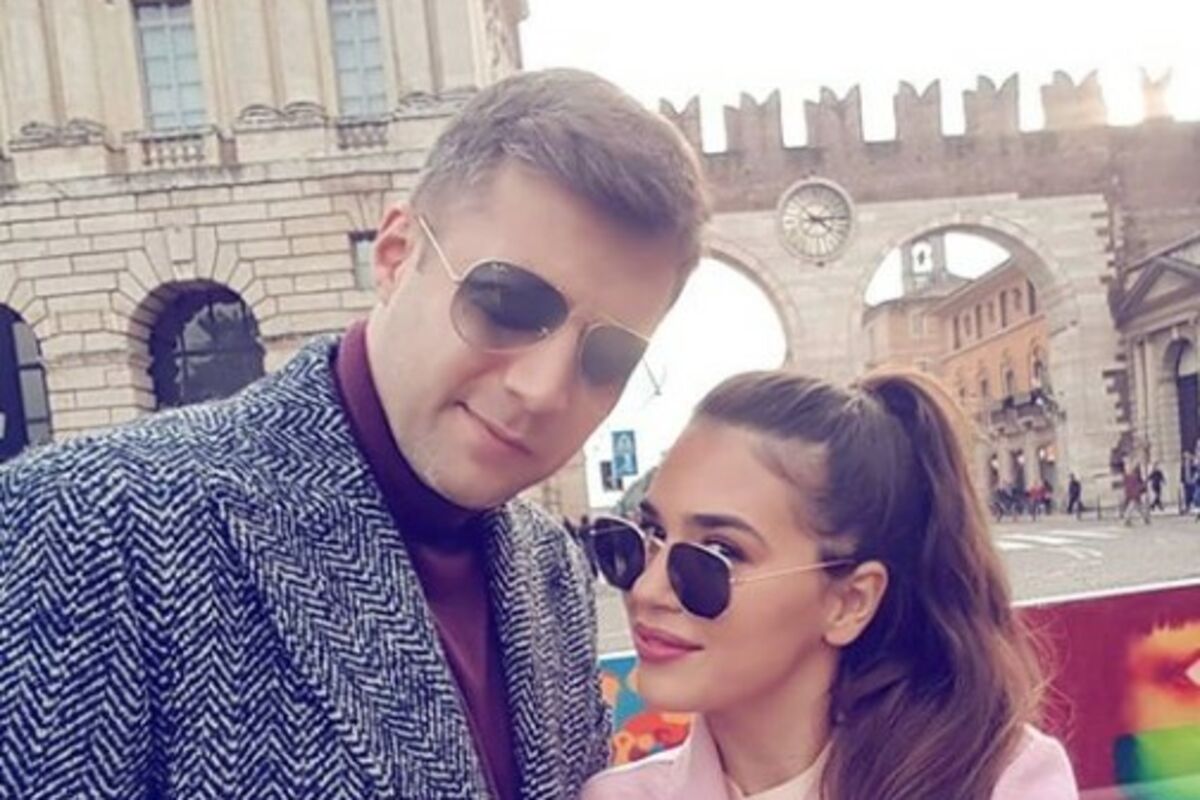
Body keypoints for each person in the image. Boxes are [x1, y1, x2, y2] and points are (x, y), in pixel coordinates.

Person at [0, 69, 710, 798]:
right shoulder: (88, 526)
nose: (543, 389)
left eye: (607, 357)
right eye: (507, 303)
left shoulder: (549, 568)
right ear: (396, 255)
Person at [583, 370, 1078, 800]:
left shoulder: (999, 780)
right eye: (650, 535)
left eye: (720, 552)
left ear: (849, 601)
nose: (646, 590)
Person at [1120, 461, 1151, 527]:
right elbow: (1129, 487)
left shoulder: (1132, 477)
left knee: (1136, 507)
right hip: (1133, 494)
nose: (1127, 469)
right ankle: (1128, 520)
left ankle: (1128, 520)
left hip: (1134, 494)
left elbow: (1135, 485)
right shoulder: (1128, 477)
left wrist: (1140, 488)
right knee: (1135, 508)